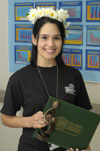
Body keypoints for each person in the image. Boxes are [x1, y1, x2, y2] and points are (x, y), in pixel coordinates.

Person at [0, 7, 92, 151]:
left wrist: (85, 147)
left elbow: (83, 120)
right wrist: (29, 121)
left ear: (62, 40)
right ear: (34, 39)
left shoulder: (74, 75)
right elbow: (5, 118)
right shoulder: (19, 78)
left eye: (56, 38)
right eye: (44, 37)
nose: (50, 44)